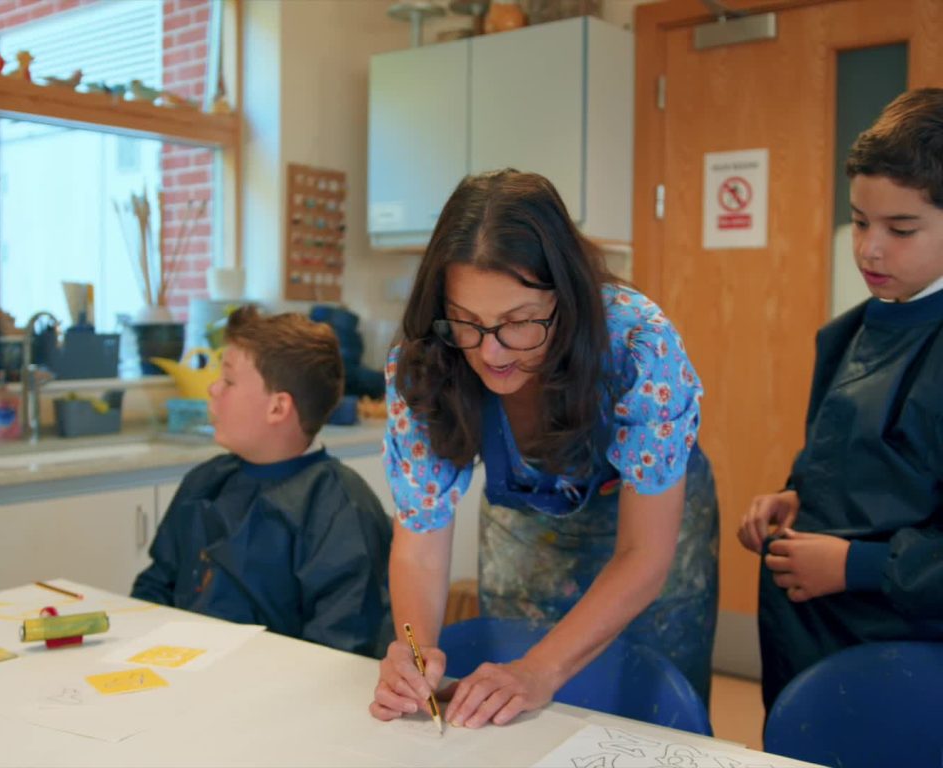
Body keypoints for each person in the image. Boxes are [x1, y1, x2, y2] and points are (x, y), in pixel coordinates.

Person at [369, 169, 719, 728]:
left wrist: (542, 669)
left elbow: (645, 555)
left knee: (645, 709)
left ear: (567, 299)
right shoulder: (424, 361)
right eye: (468, 322)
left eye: (519, 322)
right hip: (529, 523)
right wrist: (413, 653)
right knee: (513, 704)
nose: (492, 352)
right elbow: (418, 542)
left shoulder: (638, 344)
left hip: (645, 526)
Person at [738, 88, 943, 712]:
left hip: (904, 644)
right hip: (809, 634)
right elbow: (864, 469)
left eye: (900, 228)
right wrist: (799, 496)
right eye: (857, 221)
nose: (868, 249)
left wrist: (859, 567)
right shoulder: (850, 334)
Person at [132, 309, 392, 657]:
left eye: (228, 380)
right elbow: (154, 590)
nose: (213, 388)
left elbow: (339, 651)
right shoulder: (206, 482)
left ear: (277, 408)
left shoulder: (340, 511)